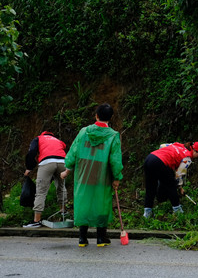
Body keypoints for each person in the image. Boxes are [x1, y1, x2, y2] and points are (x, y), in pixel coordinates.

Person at [60, 104, 123, 247]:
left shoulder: (83, 132)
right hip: (102, 175)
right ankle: (101, 238)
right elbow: (115, 160)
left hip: (83, 174)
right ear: (111, 118)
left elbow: (73, 151)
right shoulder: (113, 136)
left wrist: (67, 169)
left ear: (96, 115)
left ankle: (82, 238)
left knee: (84, 202)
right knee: (102, 203)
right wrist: (117, 177)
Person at [143, 139, 198, 218]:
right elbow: (178, 175)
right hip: (161, 162)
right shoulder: (187, 158)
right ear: (194, 151)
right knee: (171, 186)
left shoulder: (179, 145)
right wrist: (180, 187)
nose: (197, 157)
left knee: (150, 187)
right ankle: (178, 211)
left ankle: (147, 213)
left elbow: (162, 145)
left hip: (150, 158)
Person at [23, 131, 68, 228]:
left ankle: (36, 220)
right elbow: (63, 150)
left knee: (41, 191)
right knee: (61, 187)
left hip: (47, 162)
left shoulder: (38, 138)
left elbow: (32, 152)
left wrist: (29, 167)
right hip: (63, 162)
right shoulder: (58, 140)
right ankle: (63, 213)